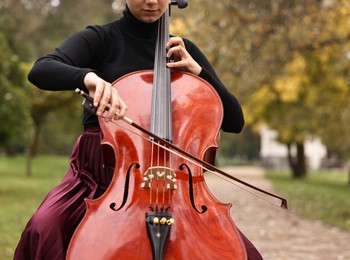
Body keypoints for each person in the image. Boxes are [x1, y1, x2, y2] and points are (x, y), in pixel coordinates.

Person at [14, 0, 262, 259]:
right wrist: (89, 78)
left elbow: (235, 120)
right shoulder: (101, 39)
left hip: (175, 187)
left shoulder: (182, 50)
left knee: (247, 254)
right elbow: (40, 70)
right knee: (43, 228)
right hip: (98, 175)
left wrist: (199, 72)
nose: (152, 2)